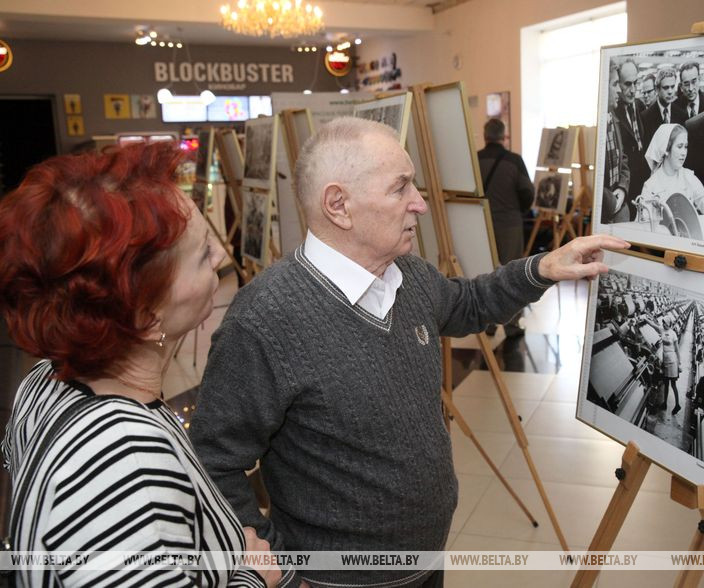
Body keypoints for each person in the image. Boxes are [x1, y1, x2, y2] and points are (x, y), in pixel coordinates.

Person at [190, 117, 630, 588]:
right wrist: (280, 567)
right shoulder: (264, 320)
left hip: (426, 562)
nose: (420, 203)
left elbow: (470, 303)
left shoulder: (410, 275)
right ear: (338, 205)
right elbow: (213, 461)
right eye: (401, 188)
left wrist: (541, 268)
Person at [0, 142, 281, 587]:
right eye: (204, 254)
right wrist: (252, 577)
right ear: (146, 316)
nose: (221, 261)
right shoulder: (124, 459)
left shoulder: (44, 380)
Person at [478, 118, 535, 337]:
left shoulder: (474, 159)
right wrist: (518, 210)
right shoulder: (514, 160)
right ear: (504, 136)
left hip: (481, 224)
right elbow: (527, 191)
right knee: (512, 275)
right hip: (509, 224)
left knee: (486, 273)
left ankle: (488, 322)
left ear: (485, 136)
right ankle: (511, 324)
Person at [639, 123, 704, 216]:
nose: (684, 152)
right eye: (679, 147)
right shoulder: (651, 185)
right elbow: (644, 224)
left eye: (686, 147)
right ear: (666, 149)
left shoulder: (688, 177)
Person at [613, 59, 649, 206]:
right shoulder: (613, 111)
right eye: (628, 84)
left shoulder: (639, 105)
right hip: (626, 185)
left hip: (644, 181)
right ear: (618, 84)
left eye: (635, 83)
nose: (633, 89)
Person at [603, 63, 631, 223]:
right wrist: (612, 201)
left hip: (620, 207)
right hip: (606, 212)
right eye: (614, 84)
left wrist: (622, 188)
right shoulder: (598, 126)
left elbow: (623, 159)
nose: (619, 90)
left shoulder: (613, 118)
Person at [641, 67, 688, 149]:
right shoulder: (645, 117)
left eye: (672, 87)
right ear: (657, 89)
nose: (670, 91)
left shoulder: (682, 114)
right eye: (666, 87)